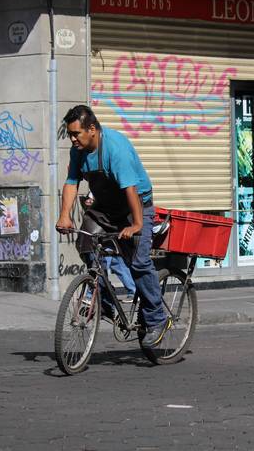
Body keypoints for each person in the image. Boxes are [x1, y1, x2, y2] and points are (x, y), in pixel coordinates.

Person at [55, 105, 169, 347]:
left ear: (92, 129)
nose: (73, 139)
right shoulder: (79, 150)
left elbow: (131, 189)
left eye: (76, 133)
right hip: (106, 207)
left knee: (138, 263)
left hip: (135, 206)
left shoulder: (115, 149)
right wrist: (64, 215)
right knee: (86, 244)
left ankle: (157, 318)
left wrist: (137, 224)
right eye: (71, 134)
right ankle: (104, 300)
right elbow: (72, 182)